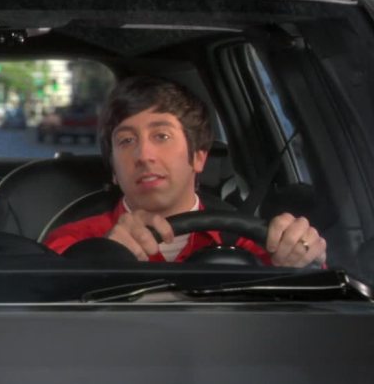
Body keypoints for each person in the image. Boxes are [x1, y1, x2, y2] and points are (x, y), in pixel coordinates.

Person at [43, 76, 327, 267]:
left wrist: (300, 257)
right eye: (126, 141)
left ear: (198, 157)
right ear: (114, 171)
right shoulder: (71, 243)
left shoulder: (255, 243)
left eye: (162, 136)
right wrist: (102, 260)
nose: (144, 155)